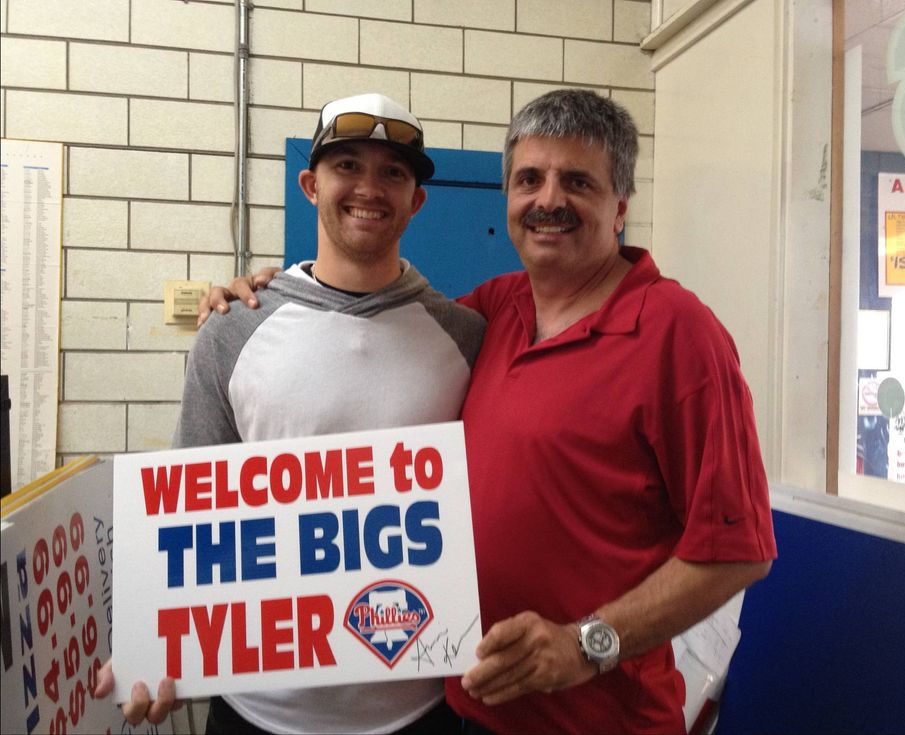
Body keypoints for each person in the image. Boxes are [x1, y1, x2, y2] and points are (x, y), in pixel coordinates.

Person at [202, 89, 777, 734]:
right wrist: (270, 293)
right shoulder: (492, 313)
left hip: (599, 719)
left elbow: (737, 551)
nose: (549, 200)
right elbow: (364, 327)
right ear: (507, 199)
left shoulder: (680, 334)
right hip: (469, 705)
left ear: (619, 207)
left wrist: (587, 645)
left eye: (578, 181)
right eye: (529, 179)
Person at [94, 93, 485, 735]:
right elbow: (189, 515)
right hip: (257, 714)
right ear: (310, 185)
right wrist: (149, 648)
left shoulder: (467, 337)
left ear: (417, 200)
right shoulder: (231, 330)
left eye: (393, 172)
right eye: (347, 166)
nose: (369, 188)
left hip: (419, 712)